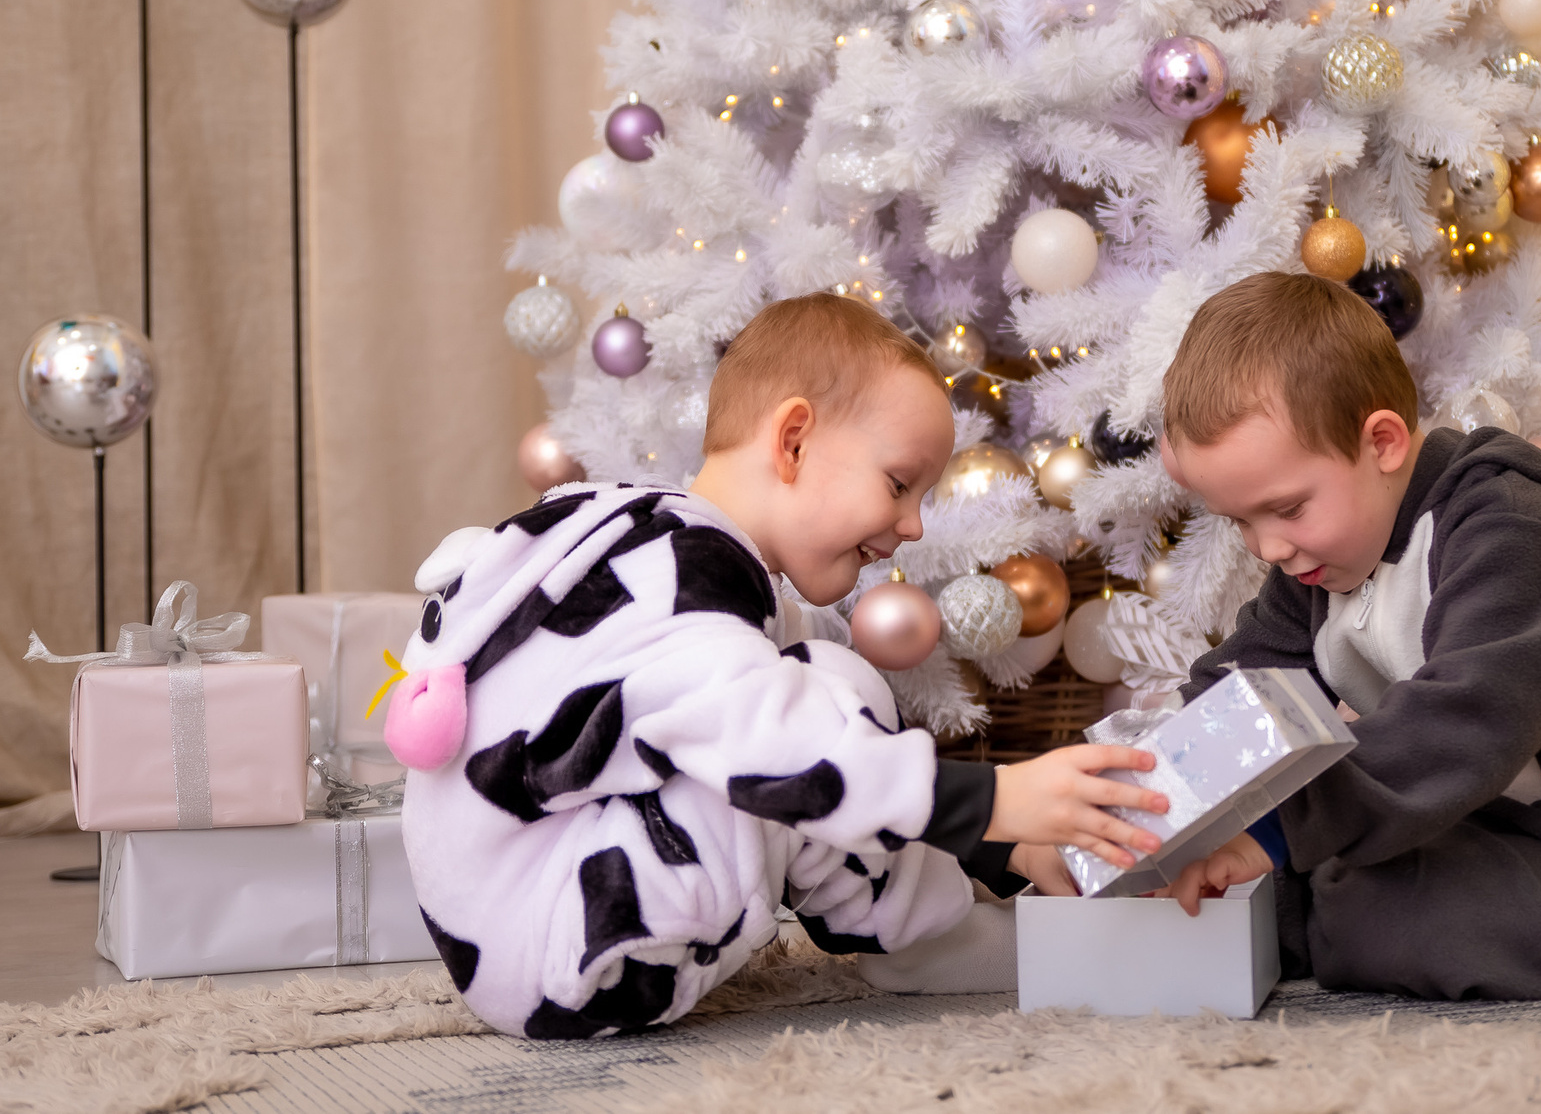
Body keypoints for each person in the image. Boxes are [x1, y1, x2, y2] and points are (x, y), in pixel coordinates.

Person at [383, 292, 1167, 1038]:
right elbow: (775, 744)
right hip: (579, 950)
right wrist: (996, 800)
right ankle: (931, 947)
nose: (913, 525)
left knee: (811, 690)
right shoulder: (691, 572)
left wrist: (1007, 847)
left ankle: (937, 923)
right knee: (816, 701)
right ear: (792, 441)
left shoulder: (634, 539)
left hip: (533, 923)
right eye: (899, 483)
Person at [1152, 270, 1541, 1000]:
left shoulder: (1514, 529)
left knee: (1379, 906)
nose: (1269, 548)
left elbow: (1461, 723)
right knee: (1232, 891)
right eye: (1242, 522)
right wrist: (1143, 802)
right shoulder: (1320, 563)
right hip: (1447, 829)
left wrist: (1280, 833)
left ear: (1382, 441)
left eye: (1286, 507)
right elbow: (1239, 696)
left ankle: (1332, 911)